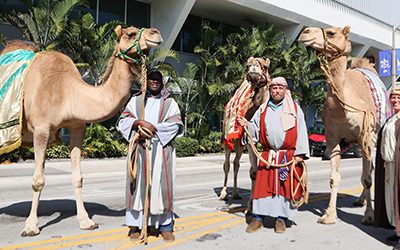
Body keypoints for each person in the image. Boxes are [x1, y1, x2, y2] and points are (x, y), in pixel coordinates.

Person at [116, 68, 183, 242]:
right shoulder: (136, 101)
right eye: (151, 78)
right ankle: (135, 226)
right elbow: (123, 120)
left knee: (162, 187)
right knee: (137, 187)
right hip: (139, 149)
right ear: (145, 81)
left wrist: (151, 129)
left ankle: (165, 226)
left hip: (161, 149)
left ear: (162, 82)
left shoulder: (170, 103)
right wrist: (138, 122)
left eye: (157, 79)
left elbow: (175, 124)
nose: (154, 81)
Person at [237, 76, 309, 234]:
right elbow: (255, 130)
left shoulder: (295, 109)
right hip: (268, 156)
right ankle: (257, 218)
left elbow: (302, 131)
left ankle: (281, 219)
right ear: (270, 90)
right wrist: (246, 125)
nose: (277, 91)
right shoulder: (262, 109)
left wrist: (300, 154)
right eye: (274, 88)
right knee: (262, 188)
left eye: (280, 88)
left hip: (287, 157)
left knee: (284, 189)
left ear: (285, 90)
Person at [374, 85, 400, 248]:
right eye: (393, 97)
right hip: (390, 166)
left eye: (399, 98)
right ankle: (398, 231)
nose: (395, 100)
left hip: (398, 166)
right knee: (392, 199)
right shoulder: (392, 118)